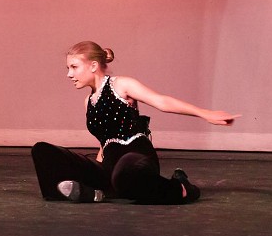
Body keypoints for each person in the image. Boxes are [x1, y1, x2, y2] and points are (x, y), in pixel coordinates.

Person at [32, 41, 240, 204]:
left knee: (124, 173)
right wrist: (96, 168)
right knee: (42, 150)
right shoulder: (89, 102)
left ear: (93, 65)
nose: (69, 74)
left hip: (136, 159)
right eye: (68, 68)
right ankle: (92, 193)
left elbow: (162, 102)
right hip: (111, 165)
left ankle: (182, 188)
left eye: (74, 67)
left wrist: (205, 114)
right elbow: (105, 140)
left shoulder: (121, 85)